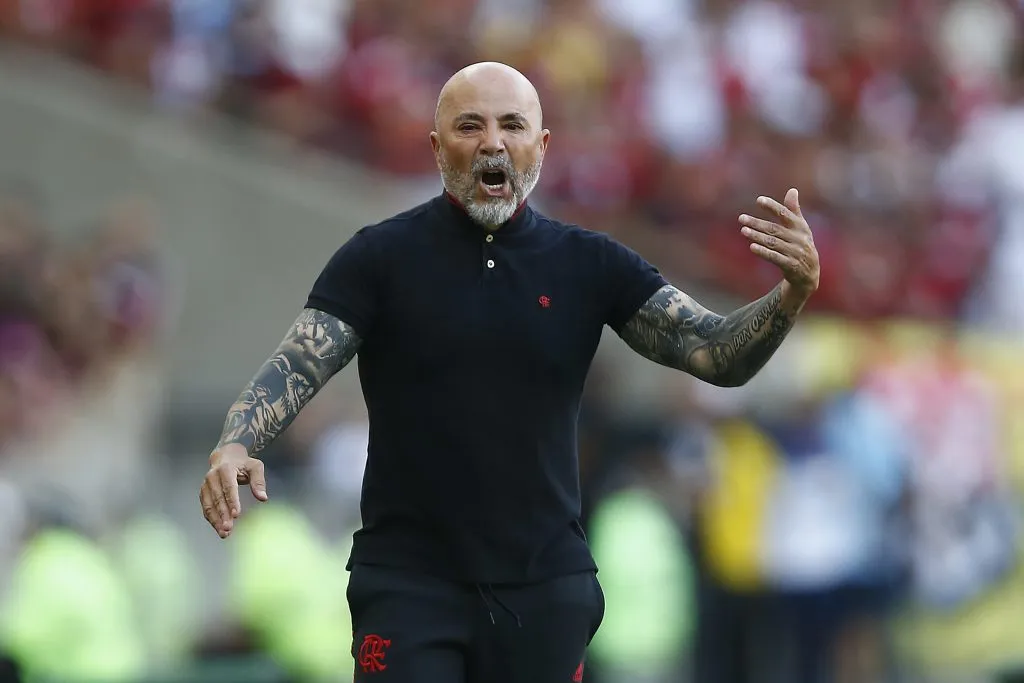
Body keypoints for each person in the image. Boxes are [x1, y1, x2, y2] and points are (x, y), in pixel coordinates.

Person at [199, 61, 820, 682]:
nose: (492, 142)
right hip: (409, 585)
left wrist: (790, 295)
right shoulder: (379, 258)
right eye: (470, 126)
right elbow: (300, 360)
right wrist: (236, 443)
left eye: (512, 125)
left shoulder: (589, 263)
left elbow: (716, 354)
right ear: (437, 147)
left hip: (544, 590)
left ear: (541, 146)